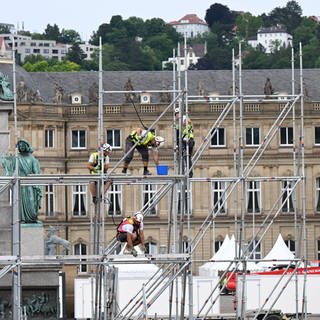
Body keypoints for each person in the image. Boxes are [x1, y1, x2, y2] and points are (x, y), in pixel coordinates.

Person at [1, 139, 42, 223]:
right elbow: (10, 168)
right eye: (20, 145)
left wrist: (35, 182)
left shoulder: (32, 158)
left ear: (27, 146)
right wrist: (4, 161)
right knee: (20, 203)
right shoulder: (16, 158)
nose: (21, 146)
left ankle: (32, 218)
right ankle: (22, 219)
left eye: (23, 145)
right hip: (19, 184)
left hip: (29, 184)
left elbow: (36, 172)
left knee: (31, 202)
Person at [175, 108, 195, 177]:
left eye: (176, 115)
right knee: (185, 157)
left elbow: (189, 121)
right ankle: (186, 172)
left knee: (186, 156)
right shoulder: (178, 123)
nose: (176, 117)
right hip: (184, 141)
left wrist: (183, 123)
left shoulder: (183, 118)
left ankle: (188, 172)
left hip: (188, 140)